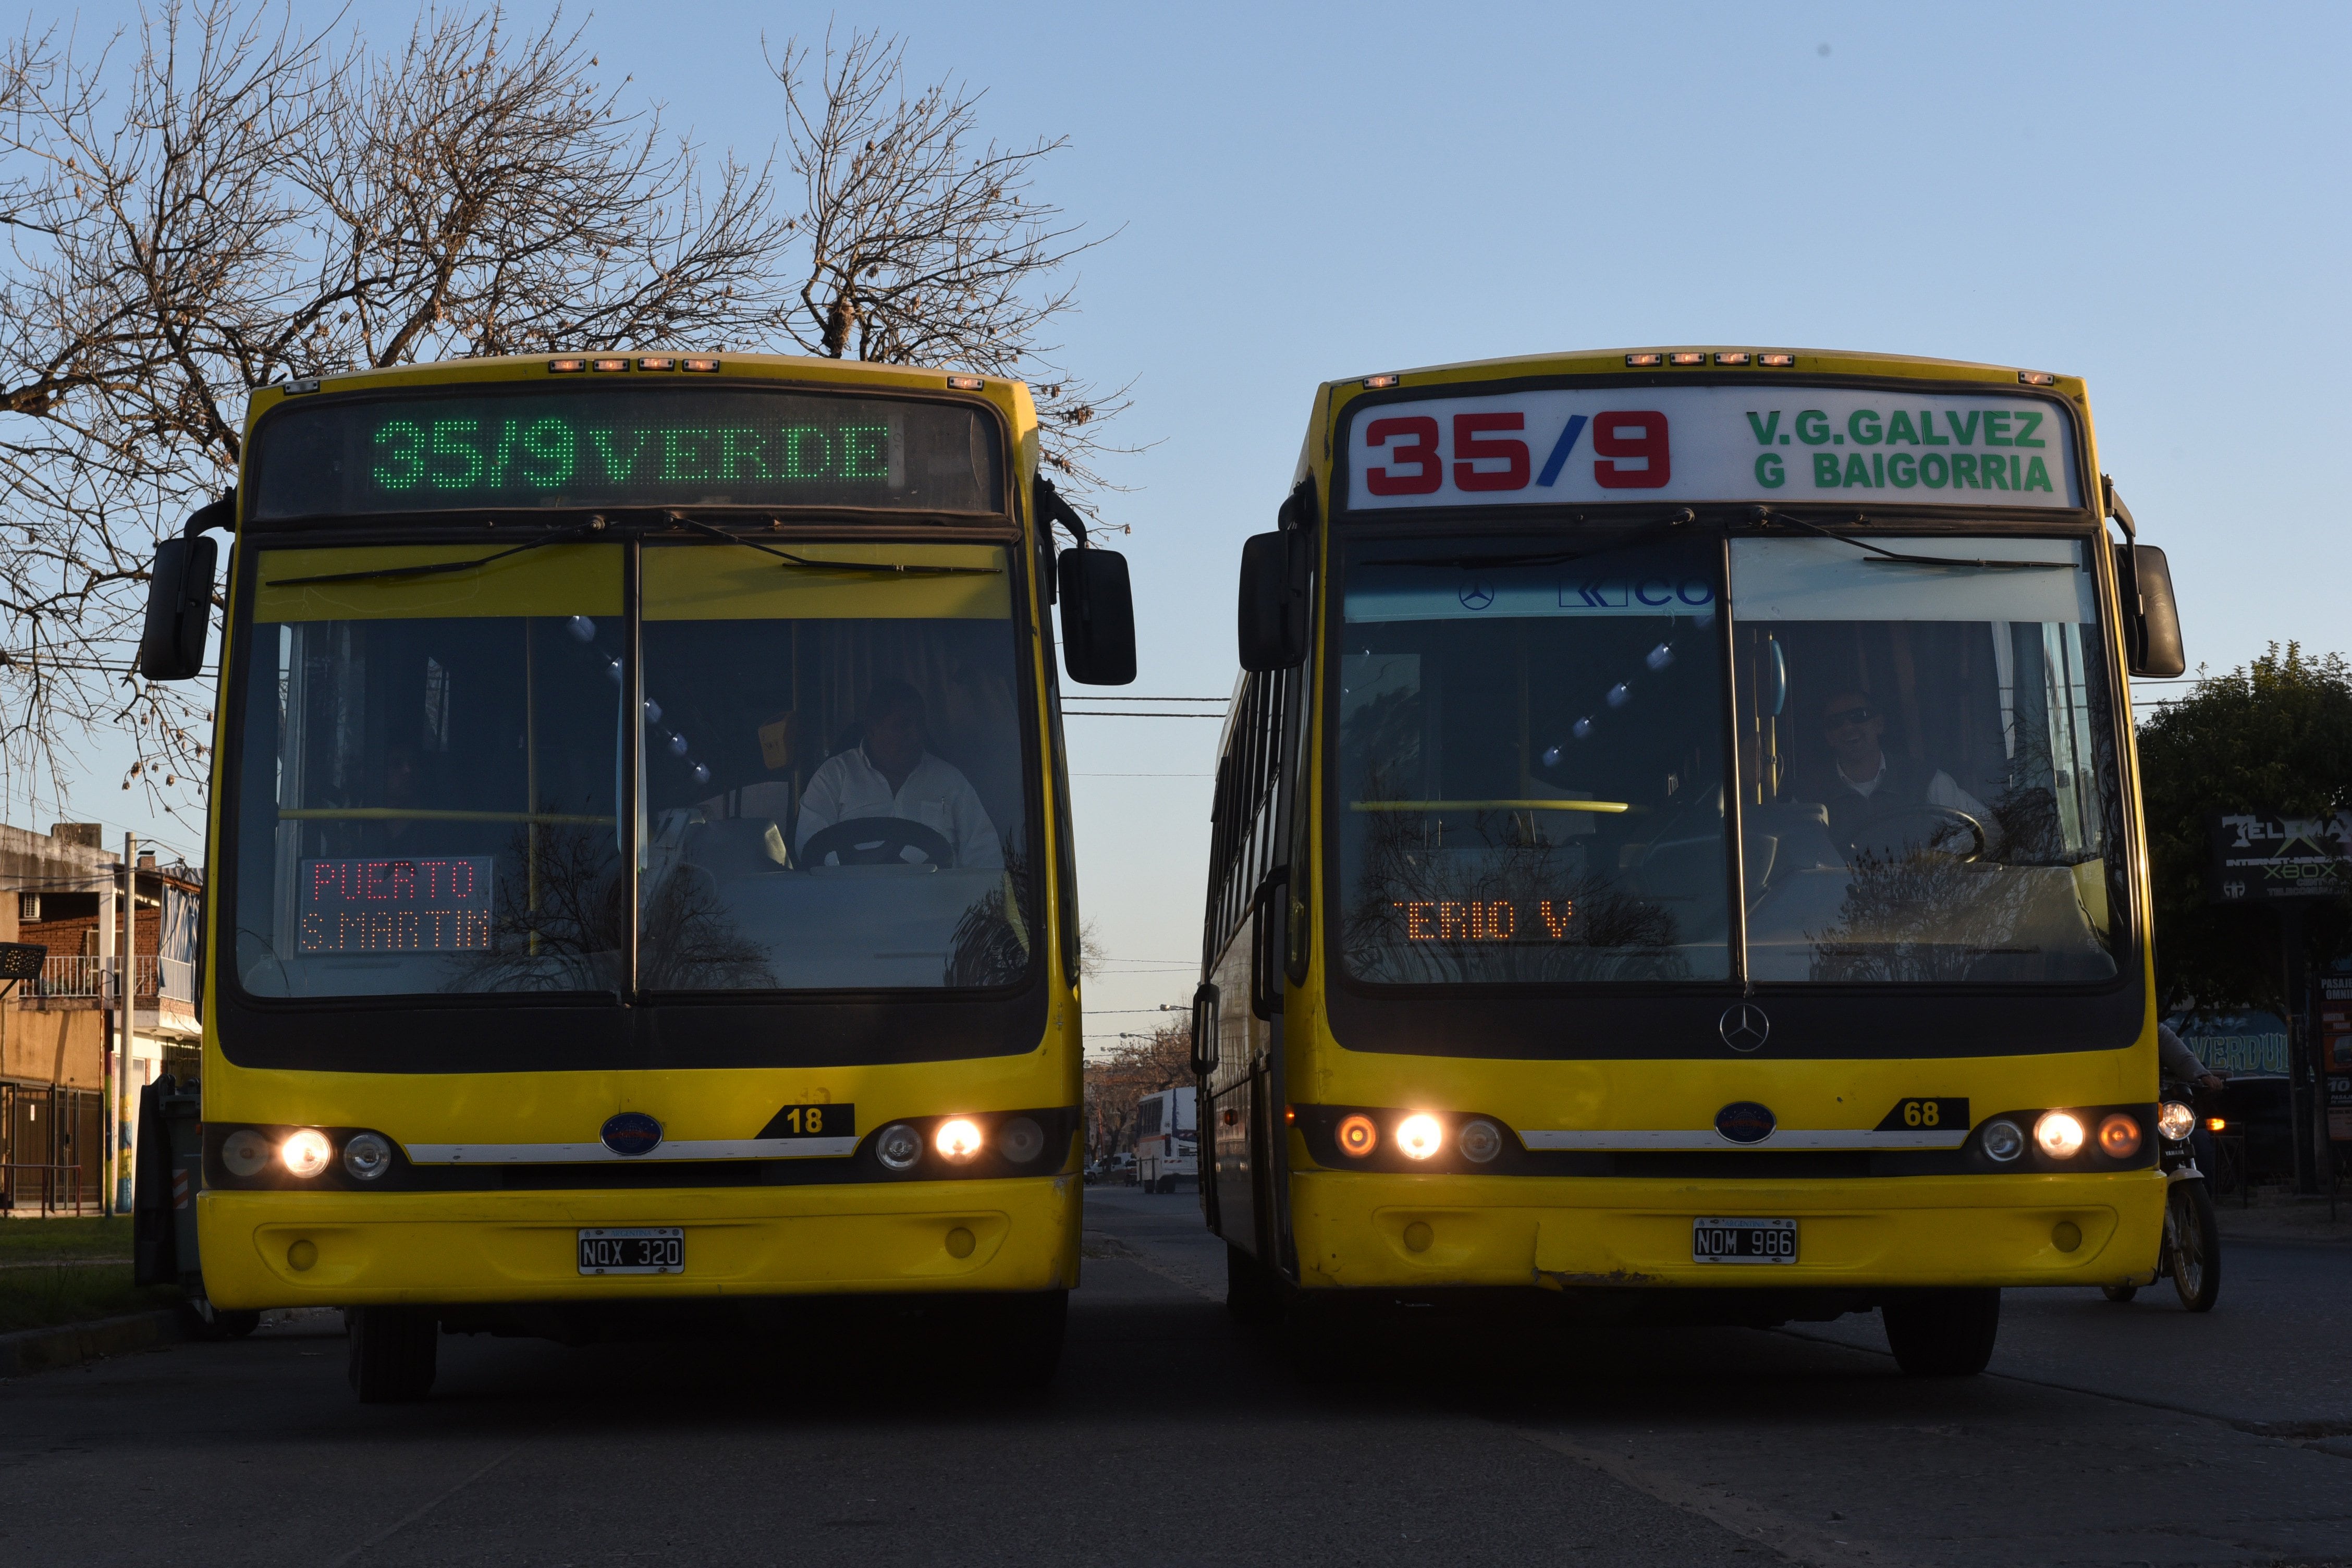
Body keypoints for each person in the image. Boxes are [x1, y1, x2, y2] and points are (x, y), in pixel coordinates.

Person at [795, 680, 1001, 868]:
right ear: (872, 728)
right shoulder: (833, 777)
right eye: (902, 725)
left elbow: (985, 857)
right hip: (852, 904)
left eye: (920, 725)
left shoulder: (951, 782)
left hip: (938, 906)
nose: (915, 734)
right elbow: (812, 851)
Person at [1806, 688, 2000, 859]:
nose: (1848, 727)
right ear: (1829, 737)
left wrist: (1938, 856)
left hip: (1922, 896)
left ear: (1879, 724)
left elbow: (1988, 828)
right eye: (1836, 722)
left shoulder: (1925, 778)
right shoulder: (1807, 796)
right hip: (1841, 898)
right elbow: (1794, 856)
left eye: (1859, 716)